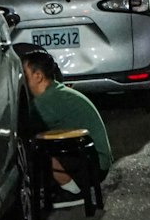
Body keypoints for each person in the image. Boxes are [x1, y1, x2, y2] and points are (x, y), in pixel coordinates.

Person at [19, 49, 113, 203]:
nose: (21, 77)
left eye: (24, 73)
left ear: (38, 76)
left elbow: (23, 128)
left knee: (35, 147)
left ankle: (73, 192)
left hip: (93, 165)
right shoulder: (57, 92)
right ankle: (65, 186)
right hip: (95, 160)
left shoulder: (47, 101)